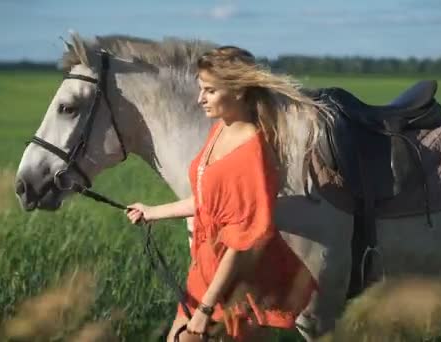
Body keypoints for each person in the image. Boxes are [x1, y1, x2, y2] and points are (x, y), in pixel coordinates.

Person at [126, 46, 324, 341]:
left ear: (239, 91)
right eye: (200, 89)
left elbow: (241, 243)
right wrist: (153, 212)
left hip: (235, 283)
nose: (199, 98)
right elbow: (209, 203)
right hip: (204, 271)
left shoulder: (252, 153)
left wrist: (206, 308)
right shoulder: (220, 129)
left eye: (209, 91)